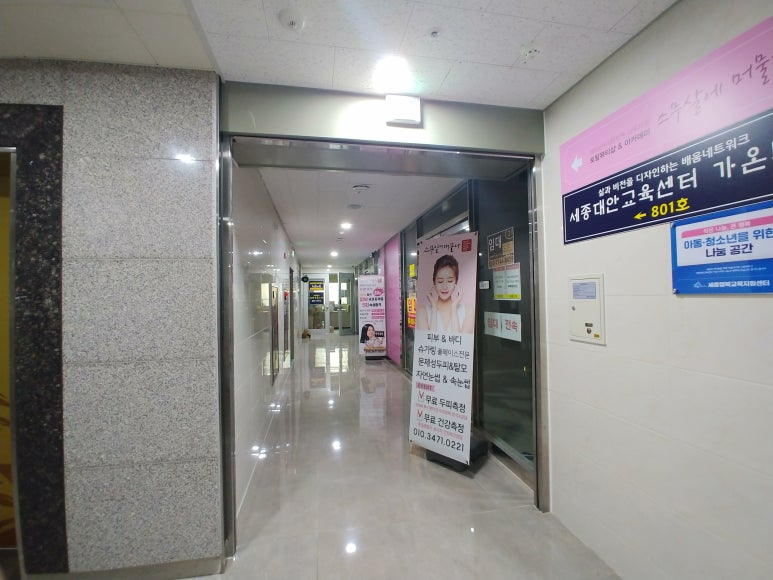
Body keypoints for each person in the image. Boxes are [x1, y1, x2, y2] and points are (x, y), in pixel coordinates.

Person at [418, 254, 474, 334]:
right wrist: (434, 308)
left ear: (456, 282)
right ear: (434, 283)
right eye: (440, 281)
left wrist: (454, 308)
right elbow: (429, 340)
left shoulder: (468, 311)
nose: (445, 287)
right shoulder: (423, 312)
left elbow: (460, 340)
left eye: (450, 281)